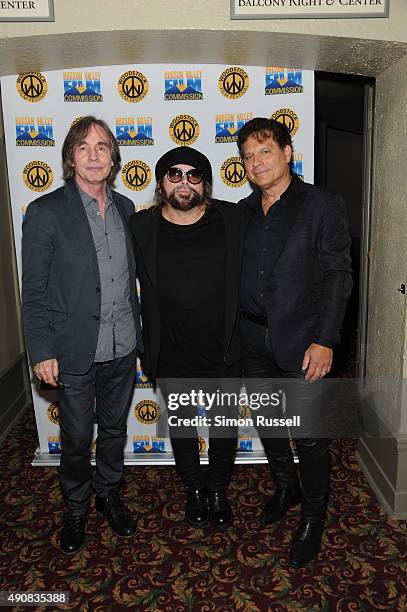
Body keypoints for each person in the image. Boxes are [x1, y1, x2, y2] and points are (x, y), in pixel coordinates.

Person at [22, 116, 143, 555]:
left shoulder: (127, 209)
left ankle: (109, 494)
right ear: (70, 157)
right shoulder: (45, 211)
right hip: (73, 349)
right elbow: (33, 292)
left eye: (103, 147)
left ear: (113, 158)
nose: (94, 156)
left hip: (124, 345)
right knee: (75, 438)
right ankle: (76, 508)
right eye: (84, 147)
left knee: (113, 430)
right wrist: (42, 350)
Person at [237, 117, 352, 566]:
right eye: (247, 155)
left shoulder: (322, 205)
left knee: (309, 436)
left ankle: (314, 516)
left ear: (287, 153)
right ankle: (286, 486)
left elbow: (338, 276)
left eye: (265, 151)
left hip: (305, 343)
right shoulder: (242, 211)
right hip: (251, 339)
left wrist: (326, 340)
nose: (256, 162)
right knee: (269, 424)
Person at [129, 147, 241, 529]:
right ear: (161, 181)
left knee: (224, 428)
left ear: (204, 183)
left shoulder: (231, 218)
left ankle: (217, 489)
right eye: (174, 174)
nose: (184, 182)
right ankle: (194, 489)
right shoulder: (140, 226)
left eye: (194, 175)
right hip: (171, 349)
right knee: (181, 426)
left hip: (223, 349)